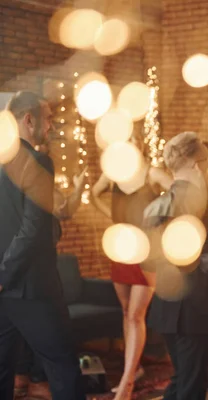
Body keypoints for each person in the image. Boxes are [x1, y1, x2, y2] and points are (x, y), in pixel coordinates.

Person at [0, 91, 84, 399]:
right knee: (63, 369)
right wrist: (4, 275)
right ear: (28, 120)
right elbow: (32, 230)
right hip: (32, 288)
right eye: (47, 119)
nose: (50, 126)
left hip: (4, 288)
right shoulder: (37, 161)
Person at [144, 131, 208, 400]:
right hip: (195, 310)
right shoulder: (203, 207)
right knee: (192, 386)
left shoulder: (156, 206)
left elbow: (149, 261)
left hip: (166, 308)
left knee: (181, 378)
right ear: (197, 164)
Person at [90, 132, 172, 399]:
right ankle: (133, 369)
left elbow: (180, 195)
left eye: (133, 142)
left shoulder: (152, 173)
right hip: (120, 248)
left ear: (140, 145)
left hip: (146, 251)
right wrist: (115, 219)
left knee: (136, 314)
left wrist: (158, 220)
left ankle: (126, 383)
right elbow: (94, 194)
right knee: (127, 311)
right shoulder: (113, 173)